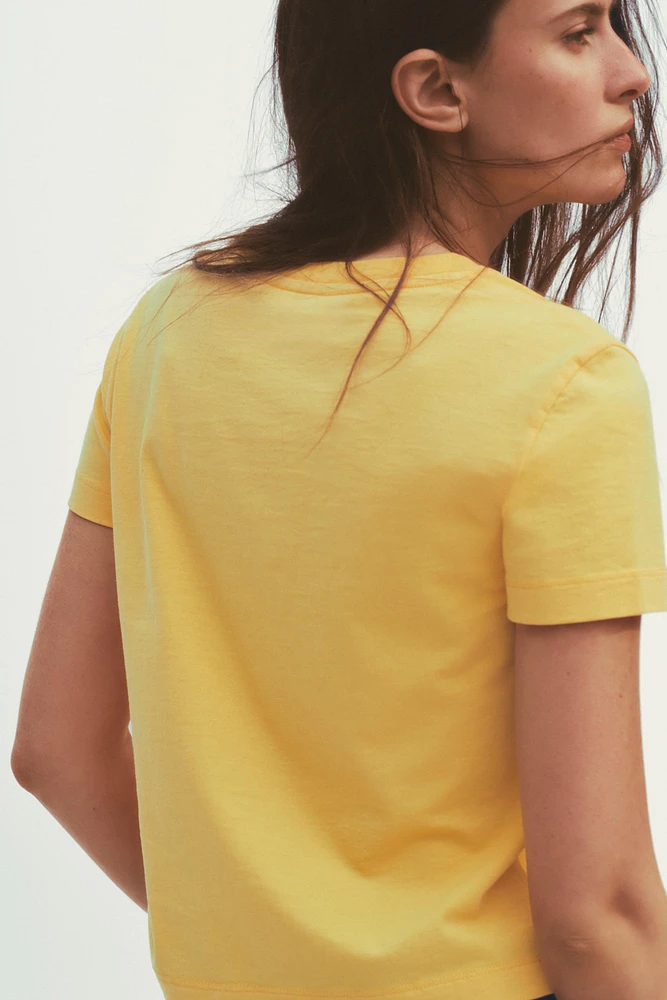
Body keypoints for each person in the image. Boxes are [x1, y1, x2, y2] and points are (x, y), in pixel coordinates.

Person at [22, 0, 667, 999]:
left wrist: (279, 950)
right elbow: (596, 914)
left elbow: (56, 749)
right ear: (435, 90)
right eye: (578, 32)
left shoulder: (165, 334)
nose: (632, 73)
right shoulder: (563, 383)